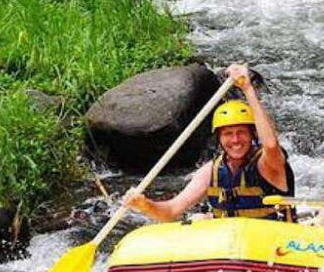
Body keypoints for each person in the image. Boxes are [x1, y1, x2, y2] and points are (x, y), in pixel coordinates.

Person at [123, 64, 294, 221]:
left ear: (252, 135)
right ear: (219, 138)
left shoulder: (268, 165)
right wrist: (145, 205)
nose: (235, 140)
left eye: (241, 132)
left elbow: (271, 145)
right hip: (230, 248)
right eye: (228, 134)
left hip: (272, 247)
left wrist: (248, 89)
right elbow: (171, 210)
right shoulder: (211, 172)